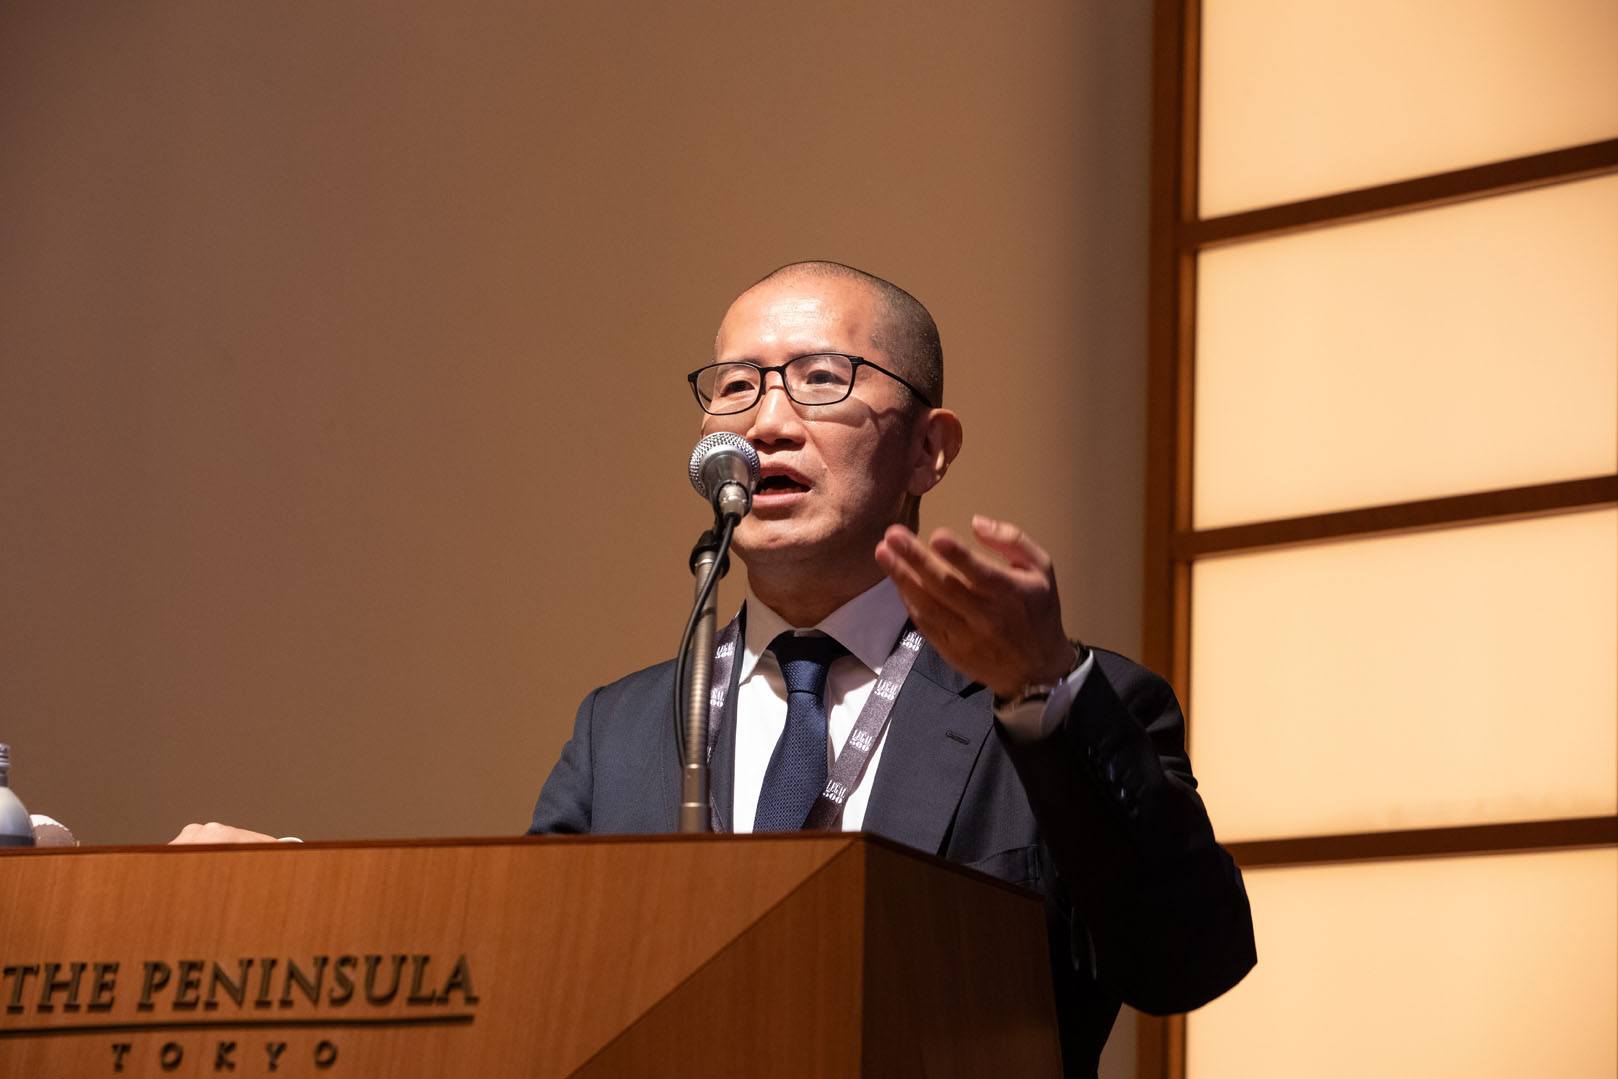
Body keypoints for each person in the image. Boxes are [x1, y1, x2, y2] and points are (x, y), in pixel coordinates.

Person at [528, 261, 1255, 1075]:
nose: (766, 422)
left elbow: (1188, 960)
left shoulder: (1060, 708)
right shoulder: (618, 732)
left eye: (819, 378)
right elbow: (530, 991)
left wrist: (1048, 698)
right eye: (735, 386)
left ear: (928, 450)